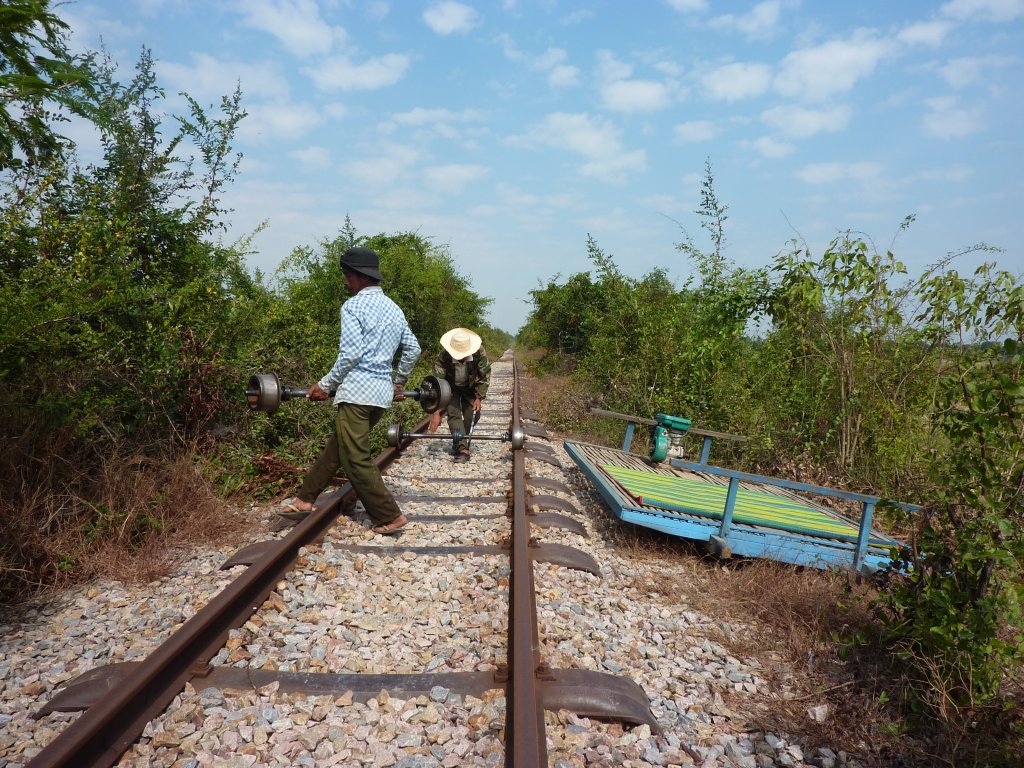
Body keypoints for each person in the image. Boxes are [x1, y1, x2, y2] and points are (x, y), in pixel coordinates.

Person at [279, 246, 421, 535]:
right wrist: (398, 382)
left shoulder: (353, 306)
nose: (345, 282)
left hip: (357, 394)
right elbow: (413, 348)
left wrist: (325, 384)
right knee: (338, 448)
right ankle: (305, 499)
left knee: (356, 457)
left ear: (359, 277)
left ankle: (389, 516)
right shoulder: (393, 308)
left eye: (347, 276)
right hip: (380, 396)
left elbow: (350, 353)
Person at [426, 327, 491, 462]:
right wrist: (436, 410)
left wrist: (479, 397)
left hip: (470, 387)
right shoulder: (444, 356)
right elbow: (438, 382)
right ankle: (462, 449)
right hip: (450, 388)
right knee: (454, 414)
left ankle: (460, 441)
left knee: (470, 416)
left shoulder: (479, 353)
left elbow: (484, 375)